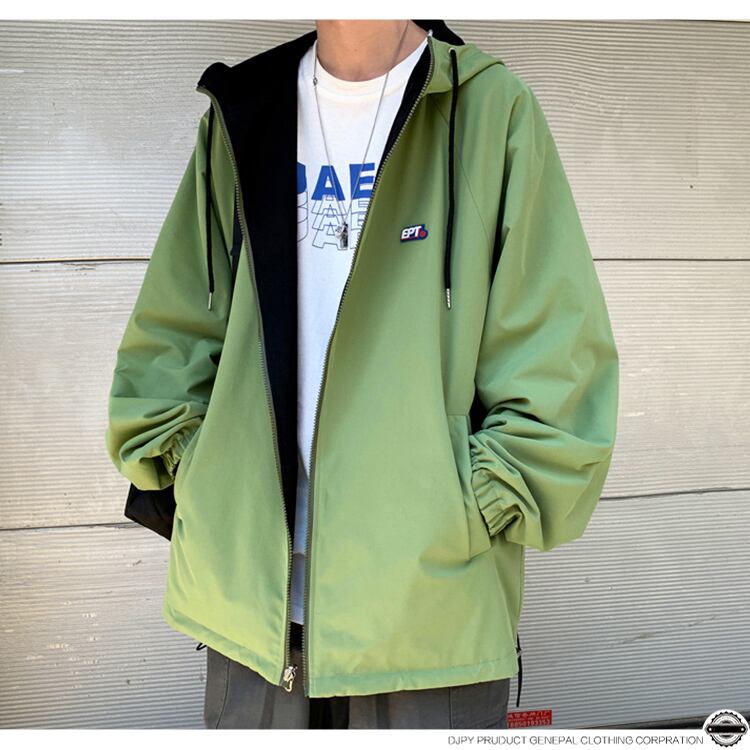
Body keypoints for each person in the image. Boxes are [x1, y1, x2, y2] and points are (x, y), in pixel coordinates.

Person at [105, 19, 620, 729]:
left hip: (427, 617)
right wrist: (200, 477)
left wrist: (464, 511)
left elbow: (557, 364)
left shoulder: (488, 110)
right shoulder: (244, 114)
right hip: (249, 611)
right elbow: (172, 336)